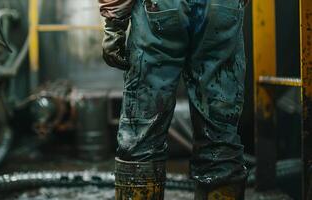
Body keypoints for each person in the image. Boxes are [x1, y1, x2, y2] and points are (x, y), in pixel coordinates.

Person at [98, 0, 249, 199]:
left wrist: (113, 26)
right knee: (220, 134)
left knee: (142, 133)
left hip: (162, 8)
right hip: (222, 7)